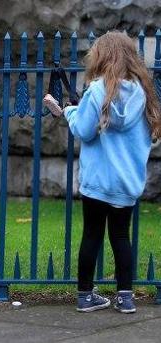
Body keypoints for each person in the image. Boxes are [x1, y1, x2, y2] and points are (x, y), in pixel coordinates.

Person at [45, 31, 161, 313]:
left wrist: (69, 112)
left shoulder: (97, 90)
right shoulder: (144, 93)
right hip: (126, 182)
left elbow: (84, 130)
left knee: (92, 235)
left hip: (97, 181)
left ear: (102, 56)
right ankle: (126, 298)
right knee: (121, 237)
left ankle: (85, 297)